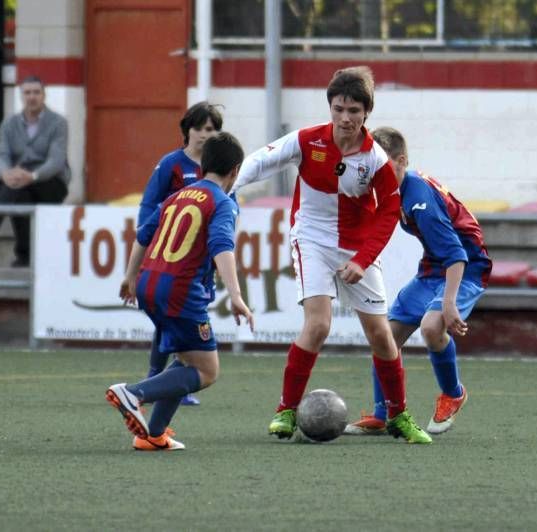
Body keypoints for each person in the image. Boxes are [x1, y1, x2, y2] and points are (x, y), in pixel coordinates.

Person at [232, 66, 431, 444]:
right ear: (330, 107)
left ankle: (399, 415)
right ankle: (286, 411)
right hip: (311, 240)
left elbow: (389, 212)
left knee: (381, 336)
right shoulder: (307, 140)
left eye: (353, 110)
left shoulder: (375, 159)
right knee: (319, 324)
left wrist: (362, 258)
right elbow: (261, 160)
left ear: (365, 113)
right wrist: (232, 188)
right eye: (338, 108)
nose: (345, 118)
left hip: (357, 250)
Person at [106, 132, 254, 451]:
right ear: (235, 171)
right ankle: (133, 393)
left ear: (202, 168)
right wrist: (237, 296)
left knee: (187, 358)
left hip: (149, 285)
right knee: (207, 369)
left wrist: (130, 277)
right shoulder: (222, 202)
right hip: (180, 292)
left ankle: (154, 433)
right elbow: (222, 247)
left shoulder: (179, 196)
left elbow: (143, 235)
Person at [344, 127, 492, 436]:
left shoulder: (420, 200)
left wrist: (449, 303)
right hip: (432, 268)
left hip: (465, 267)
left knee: (431, 327)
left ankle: (453, 394)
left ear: (401, 161)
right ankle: (382, 414)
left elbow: (456, 254)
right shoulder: (389, 190)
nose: (377, 174)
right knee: (384, 338)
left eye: (384, 167)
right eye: (373, 168)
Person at [135, 101, 223, 407]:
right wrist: (146, 240)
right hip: (170, 257)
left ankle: (174, 383)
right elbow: (150, 206)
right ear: (187, 130)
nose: (204, 134)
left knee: (183, 320)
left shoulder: (218, 171)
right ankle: (155, 377)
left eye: (211, 129)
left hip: (200, 262)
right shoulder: (172, 163)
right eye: (199, 128)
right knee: (169, 322)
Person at [0, 75, 70, 267]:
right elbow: (1, 156)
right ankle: (26, 256)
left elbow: (56, 161)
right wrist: (5, 174)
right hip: (21, 181)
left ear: (44, 95)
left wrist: (32, 176)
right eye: (27, 92)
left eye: (36, 92)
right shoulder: (9, 124)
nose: (31, 97)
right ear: (21, 95)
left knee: (17, 190)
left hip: (51, 181)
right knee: (19, 192)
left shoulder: (58, 123)